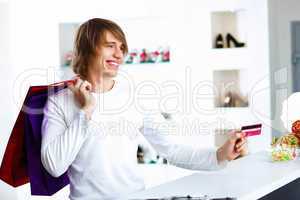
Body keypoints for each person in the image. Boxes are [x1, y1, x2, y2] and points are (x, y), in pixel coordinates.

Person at [41, 18, 247, 200]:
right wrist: (85, 111)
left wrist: (220, 155)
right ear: (87, 49)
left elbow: (172, 149)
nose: (119, 54)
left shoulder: (135, 97)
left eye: (121, 48)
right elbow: (54, 166)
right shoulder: (60, 102)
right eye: (110, 46)